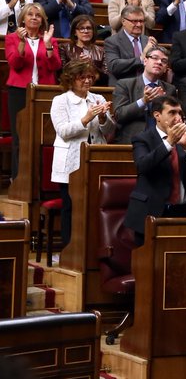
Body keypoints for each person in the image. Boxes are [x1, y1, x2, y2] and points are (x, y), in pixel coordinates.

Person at [123, 96, 186, 245]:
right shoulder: (143, 138)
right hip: (151, 212)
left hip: (183, 211)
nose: (178, 117)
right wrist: (169, 142)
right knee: (148, 263)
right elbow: (142, 166)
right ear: (157, 115)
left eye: (180, 113)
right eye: (172, 113)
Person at [50, 60, 115, 246]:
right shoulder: (60, 101)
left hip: (96, 159)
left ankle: (93, 247)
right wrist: (86, 119)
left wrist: (103, 117)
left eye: (89, 77)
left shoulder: (98, 98)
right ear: (71, 79)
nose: (87, 81)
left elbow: (109, 129)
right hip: (70, 162)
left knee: (96, 206)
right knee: (70, 207)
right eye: (82, 77)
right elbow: (63, 131)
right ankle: (68, 249)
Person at [6, 3, 60, 177]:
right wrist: (22, 43)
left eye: (38, 15)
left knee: (44, 137)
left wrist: (48, 45)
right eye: (30, 14)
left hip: (45, 92)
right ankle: (18, 179)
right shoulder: (12, 38)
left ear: (42, 19)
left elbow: (56, 66)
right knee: (19, 137)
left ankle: (41, 181)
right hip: (19, 91)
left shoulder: (50, 39)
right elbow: (16, 64)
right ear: (23, 19)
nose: (34, 17)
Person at [111, 45, 176, 144]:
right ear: (145, 61)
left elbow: (174, 118)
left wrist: (163, 103)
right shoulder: (125, 84)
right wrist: (143, 101)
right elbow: (119, 115)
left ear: (166, 68)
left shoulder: (170, 89)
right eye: (155, 58)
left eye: (164, 61)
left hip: (162, 142)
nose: (159, 62)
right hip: (132, 140)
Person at [104, 5, 154, 81]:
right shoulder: (112, 41)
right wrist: (141, 58)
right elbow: (114, 66)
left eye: (141, 21)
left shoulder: (148, 41)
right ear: (123, 21)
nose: (139, 25)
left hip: (147, 86)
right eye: (134, 21)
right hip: (122, 87)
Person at [58, 15, 107, 86]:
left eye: (89, 28)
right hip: (72, 88)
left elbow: (106, 78)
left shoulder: (102, 51)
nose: (86, 31)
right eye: (81, 28)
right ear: (75, 32)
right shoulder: (64, 48)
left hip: (96, 89)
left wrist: (92, 65)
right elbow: (62, 74)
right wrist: (77, 64)